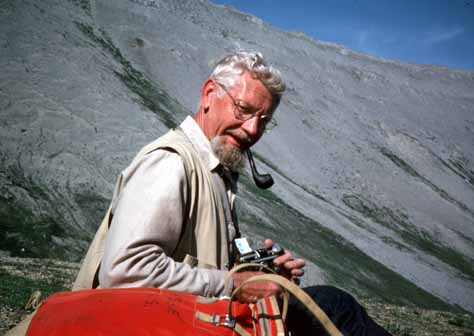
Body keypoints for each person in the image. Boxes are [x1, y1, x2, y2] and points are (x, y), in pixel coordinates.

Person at [72, 51, 391, 335]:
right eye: (243, 109)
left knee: (333, 304)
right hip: (148, 325)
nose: (253, 130)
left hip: (190, 320)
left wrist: (261, 274)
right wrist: (232, 285)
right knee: (337, 309)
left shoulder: (216, 168)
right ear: (209, 94)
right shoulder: (171, 163)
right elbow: (126, 271)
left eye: (263, 120)